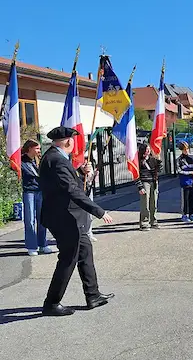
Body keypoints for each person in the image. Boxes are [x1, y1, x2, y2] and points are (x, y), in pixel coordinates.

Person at [39, 126, 113, 316]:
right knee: (68, 258)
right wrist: (98, 210)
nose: (74, 143)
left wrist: (80, 172)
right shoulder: (57, 161)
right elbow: (71, 190)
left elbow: (66, 184)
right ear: (68, 142)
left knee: (85, 251)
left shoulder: (56, 158)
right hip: (63, 217)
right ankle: (51, 303)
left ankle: (92, 294)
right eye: (73, 140)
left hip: (67, 216)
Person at [21, 139, 54, 256]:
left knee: (42, 219)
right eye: (37, 148)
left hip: (40, 191)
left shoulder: (38, 160)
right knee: (30, 219)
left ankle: (42, 243)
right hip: (29, 192)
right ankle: (31, 246)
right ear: (30, 148)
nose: (39, 151)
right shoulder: (21, 160)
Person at [137, 143, 163, 230]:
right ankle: (144, 222)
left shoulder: (152, 160)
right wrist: (140, 187)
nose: (148, 151)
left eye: (149, 149)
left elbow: (159, 169)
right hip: (144, 182)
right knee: (145, 204)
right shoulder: (138, 161)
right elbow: (136, 175)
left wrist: (159, 161)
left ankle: (153, 220)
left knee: (154, 202)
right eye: (146, 149)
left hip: (153, 182)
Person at [177, 141, 193, 223]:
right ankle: (184, 215)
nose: (186, 151)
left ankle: (191, 214)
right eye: (184, 149)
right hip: (184, 181)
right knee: (185, 199)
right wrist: (190, 172)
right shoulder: (179, 160)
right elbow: (179, 171)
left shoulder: (192, 157)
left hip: (192, 181)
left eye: (187, 149)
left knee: (192, 198)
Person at [77, 158, 98, 242]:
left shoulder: (90, 165)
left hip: (88, 191)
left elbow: (90, 181)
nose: (85, 165)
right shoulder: (75, 168)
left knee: (89, 214)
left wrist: (93, 175)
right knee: (80, 213)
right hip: (79, 191)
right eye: (83, 164)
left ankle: (89, 233)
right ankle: (80, 234)